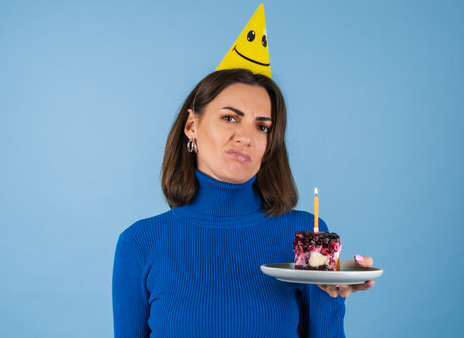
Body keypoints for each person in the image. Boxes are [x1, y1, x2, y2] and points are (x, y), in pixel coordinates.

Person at [112, 68, 375, 338]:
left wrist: (333, 295)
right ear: (191, 126)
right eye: (229, 118)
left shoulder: (306, 235)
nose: (246, 137)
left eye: (262, 127)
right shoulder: (139, 243)